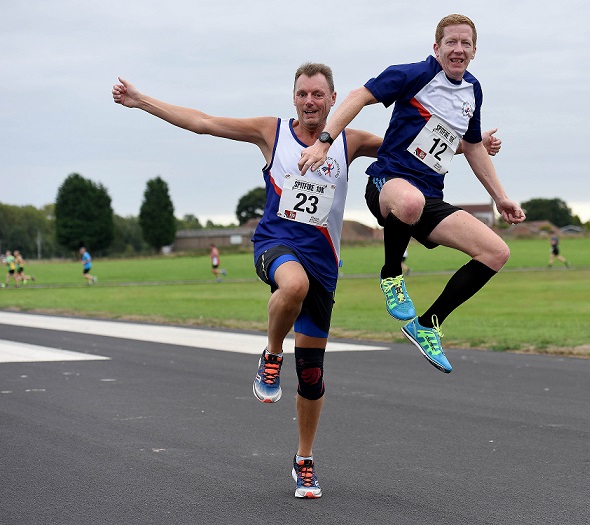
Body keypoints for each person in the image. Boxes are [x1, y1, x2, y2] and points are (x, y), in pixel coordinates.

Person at [112, 64, 502, 498]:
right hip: (276, 245)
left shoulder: (348, 141)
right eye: (303, 94)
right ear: (293, 97)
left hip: (325, 263)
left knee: (313, 375)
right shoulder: (270, 132)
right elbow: (204, 123)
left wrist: (476, 143)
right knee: (291, 286)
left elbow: (409, 147)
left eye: (319, 94)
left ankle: (304, 461)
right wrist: (141, 101)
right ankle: (271, 353)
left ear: (334, 100)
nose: (311, 101)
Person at [299, 14, 525, 374]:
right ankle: (391, 275)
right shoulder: (413, 75)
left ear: (474, 51)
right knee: (409, 201)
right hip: (388, 184)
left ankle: (428, 324)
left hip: (429, 198)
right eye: (451, 42)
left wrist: (501, 197)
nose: (458, 49)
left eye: (465, 43)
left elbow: (470, 145)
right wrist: (325, 140)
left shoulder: (472, 90)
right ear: (436, 48)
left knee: (496, 252)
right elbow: (358, 95)